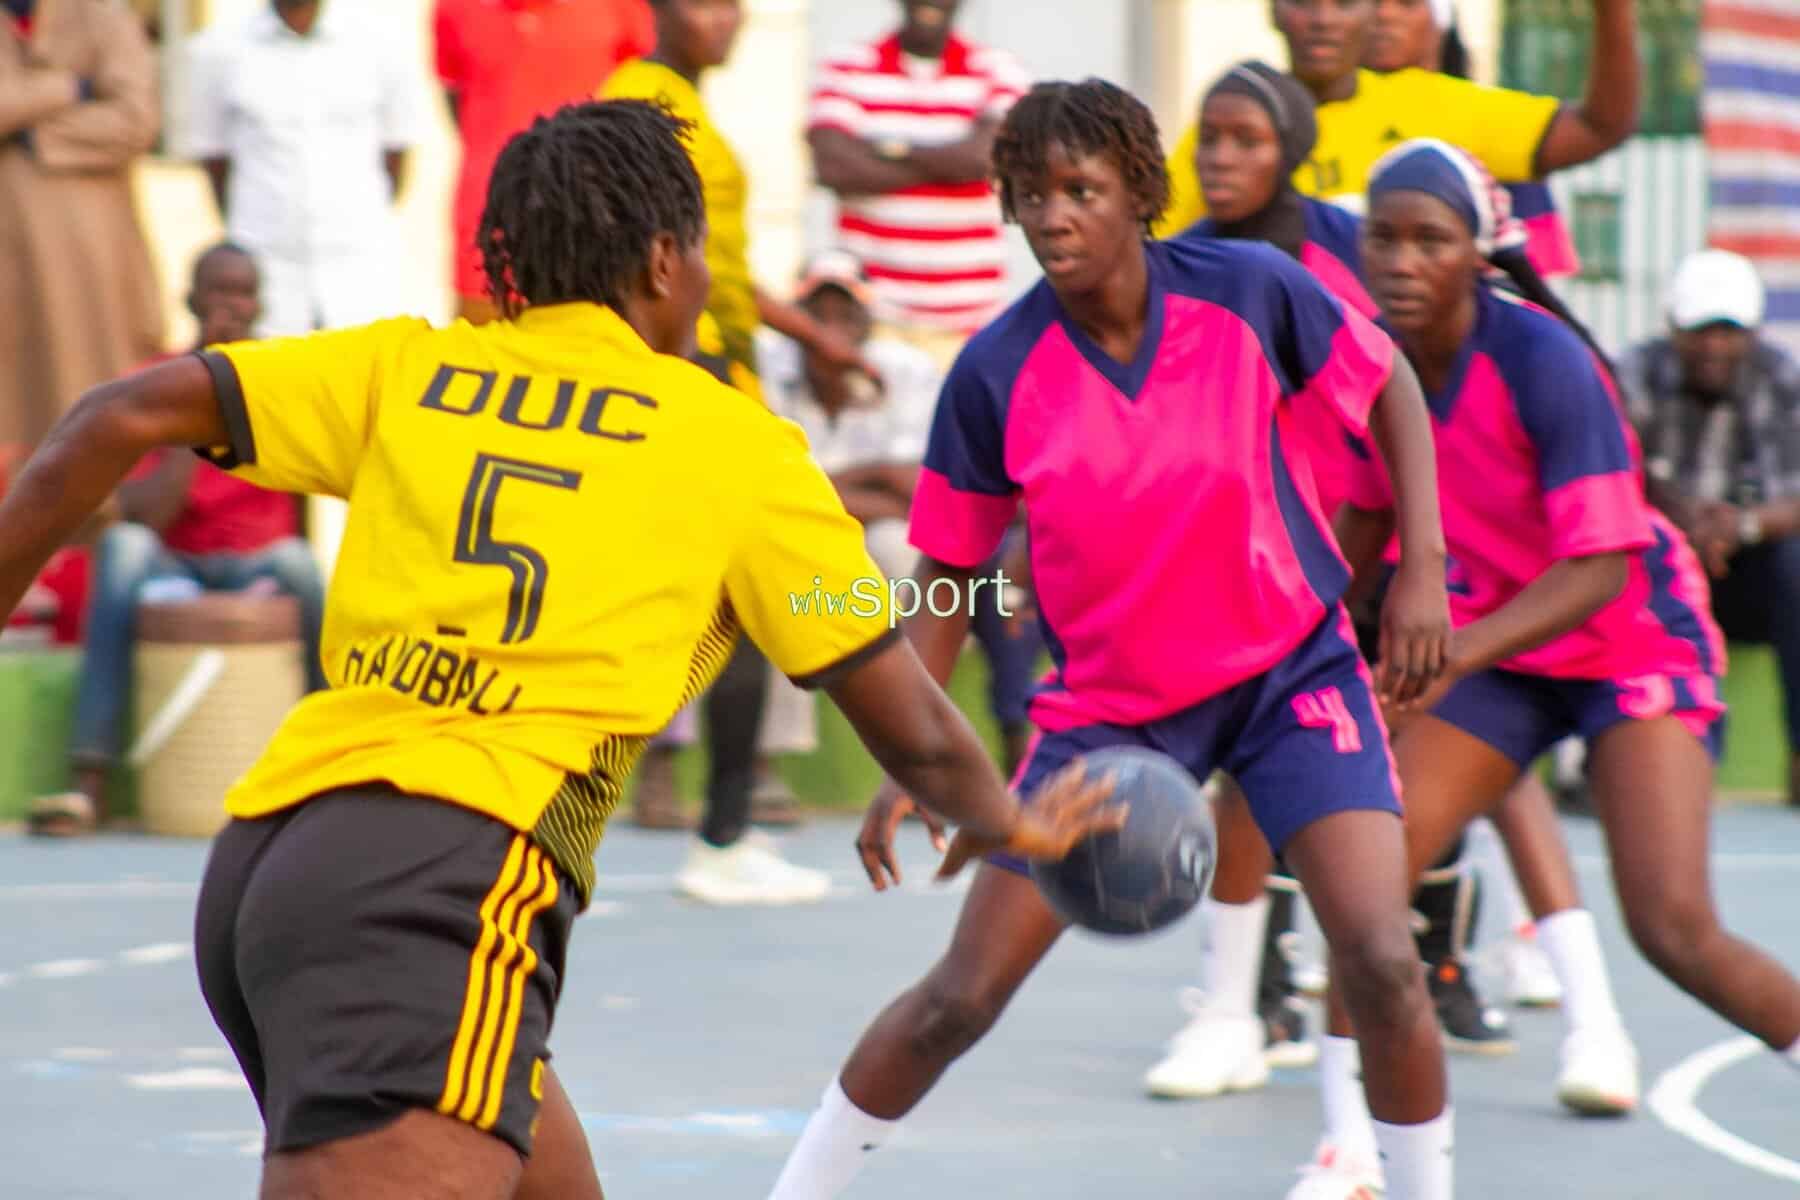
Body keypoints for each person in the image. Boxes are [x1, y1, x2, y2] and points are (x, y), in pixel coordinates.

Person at [0, 99, 1123, 1200]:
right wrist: (1010, 817)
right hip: (443, 887)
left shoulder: (413, 370)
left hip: (276, 861)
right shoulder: (729, 446)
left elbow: (113, 415)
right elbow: (911, 719)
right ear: (663, 262)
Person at [766, 78, 1461, 1200]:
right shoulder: (994, 371)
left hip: (1292, 672)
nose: (1052, 217)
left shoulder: (1251, 293)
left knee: (1381, 957)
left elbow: (1392, 394)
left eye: (1079, 190)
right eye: (1029, 196)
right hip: (1113, 712)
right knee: (960, 998)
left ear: (1140, 193)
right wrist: (910, 745)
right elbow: (948, 573)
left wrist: (1421, 566)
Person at [1301, 138, 1800, 1197]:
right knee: (1366, 904)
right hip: (1502, 651)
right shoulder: (1367, 365)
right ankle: (1353, 1156)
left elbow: (1604, 568)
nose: (1397, 260)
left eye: (1427, 240)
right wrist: (1285, 643)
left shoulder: (1543, 361)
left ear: (1476, 257)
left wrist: (1445, 657)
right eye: (1380, 237)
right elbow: (1357, 529)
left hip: (1628, 636)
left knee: (1674, 929)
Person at [1142, 61, 1506, 1104]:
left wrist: (1410, 563)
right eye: (1206, 136)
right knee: (1252, 779)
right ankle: (1240, 1004)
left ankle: (1461, 964)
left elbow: (1389, 393)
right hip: (1263, 544)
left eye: (1242, 137)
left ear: (1293, 147)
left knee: (1470, 761)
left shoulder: (1347, 259)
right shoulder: (1187, 261)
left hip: (1363, 535)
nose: (1217, 156)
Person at [603, 0, 886, 893]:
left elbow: (715, 267)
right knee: (733, 603)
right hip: (688, 376)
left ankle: (722, 832)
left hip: (722, 370)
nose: (722, 21)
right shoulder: (643, 102)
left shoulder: (690, 106)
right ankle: (717, 837)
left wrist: (813, 337)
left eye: (734, 7)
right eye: (702, 3)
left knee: (736, 608)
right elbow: (638, 257)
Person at [27, 241, 327, 838]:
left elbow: (303, 500)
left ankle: (331, 770)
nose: (232, 307)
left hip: (253, 563)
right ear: (191, 299)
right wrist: (203, 394)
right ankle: (89, 779)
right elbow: (144, 514)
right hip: (175, 562)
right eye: (219, 292)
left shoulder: (281, 377)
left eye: (243, 294)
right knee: (122, 551)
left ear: (259, 304)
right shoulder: (153, 383)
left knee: (303, 565)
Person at [755, 249, 1044, 781]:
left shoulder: (905, 371)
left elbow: (923, 490)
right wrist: (880, 478)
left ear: (868, 319)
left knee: (920, 559)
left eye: (845, 313)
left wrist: (834, 490)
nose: (832, 328)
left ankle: (922, 756)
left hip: (886, 532)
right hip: (790, 536)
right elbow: (766, 497)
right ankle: (767, 765)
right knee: (781, 577)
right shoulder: (766, 364)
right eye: (818, 314)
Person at [1154, 0, 1639, 234]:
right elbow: (1155, 252)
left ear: (1371, 12)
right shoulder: (1227, 128)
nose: (1323, 19)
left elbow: (1599, 127)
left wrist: (1611, 11)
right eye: (1305, 1)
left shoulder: (1435, 105)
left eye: (1345, 2)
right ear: (1274, 12)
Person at [1622, 248, 1800, 809]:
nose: (1714, 347)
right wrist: (1685, 521)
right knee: (1608, 558)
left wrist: (1737, 525)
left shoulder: (1780, 377)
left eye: (1728, 332)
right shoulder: (1634, 372)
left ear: (1750, 333)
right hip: (1660, 559)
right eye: (1701, 331)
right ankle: (1603, 759)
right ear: (1674, 328)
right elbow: (1614, 471)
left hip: (1746, 567)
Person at [807, 0, 1030, 368]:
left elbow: (986, 157)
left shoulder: (998, 70)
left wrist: (886, 150)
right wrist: (952, 162)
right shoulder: (845, 67)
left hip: (970, 332)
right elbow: (833, 165)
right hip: (874, 331)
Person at [182, 0, 422, 337]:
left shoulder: (382, 42)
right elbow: (215, 162)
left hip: (359, 262)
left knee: (361, 380)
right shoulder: (216, 50)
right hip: (265, 263)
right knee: (269, 383)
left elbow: (396, 157)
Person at [1, 0, 164, 476]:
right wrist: (68, 87)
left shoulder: (103, 18)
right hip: (12, 260)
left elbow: (135, 120)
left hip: (89, 259)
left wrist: (34, 137)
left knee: (91, 383)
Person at [434, 0, 654, 325]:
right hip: (486, 230)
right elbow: (458, 99)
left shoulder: (624, 8)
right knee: (484, 359)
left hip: (595, 228)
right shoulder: (456, 6)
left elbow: (649, 103)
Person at [1362, 0, 1579, 278]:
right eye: (1371, 3)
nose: (1385, 14)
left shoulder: (1488, 121)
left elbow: (1537, 269)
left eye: (1406, 3)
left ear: (1439, 21)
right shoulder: (1315, 117)